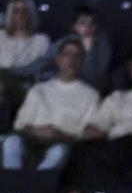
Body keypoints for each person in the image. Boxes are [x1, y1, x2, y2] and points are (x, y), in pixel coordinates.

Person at [2, 36, 100, 172]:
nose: (71, 60)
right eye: (67, 54)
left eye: (77, 56)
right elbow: (20, 125)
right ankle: (12, 181)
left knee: (59, 151)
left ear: (83, 61)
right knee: (11, 142)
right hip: (32, 141)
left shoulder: (91, 95)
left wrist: (60, 135)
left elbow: (86, 133)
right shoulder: (39, 89)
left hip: (63, 143)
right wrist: (37, 131)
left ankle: (40, 182)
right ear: (59, 59)